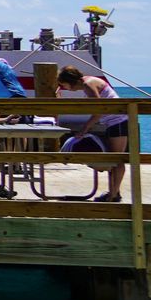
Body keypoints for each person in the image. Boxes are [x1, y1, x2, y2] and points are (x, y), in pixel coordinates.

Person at [57, 66, 126, 202]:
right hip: (112, 122)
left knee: (117, 159)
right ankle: (114, 192)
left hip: (117, 121)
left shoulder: (88, 85)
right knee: (113, 158)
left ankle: (113, 195)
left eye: (63, 84)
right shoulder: (88, 83)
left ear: (69, 80)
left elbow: (99, 108)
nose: (63, 87)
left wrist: (85, 129)